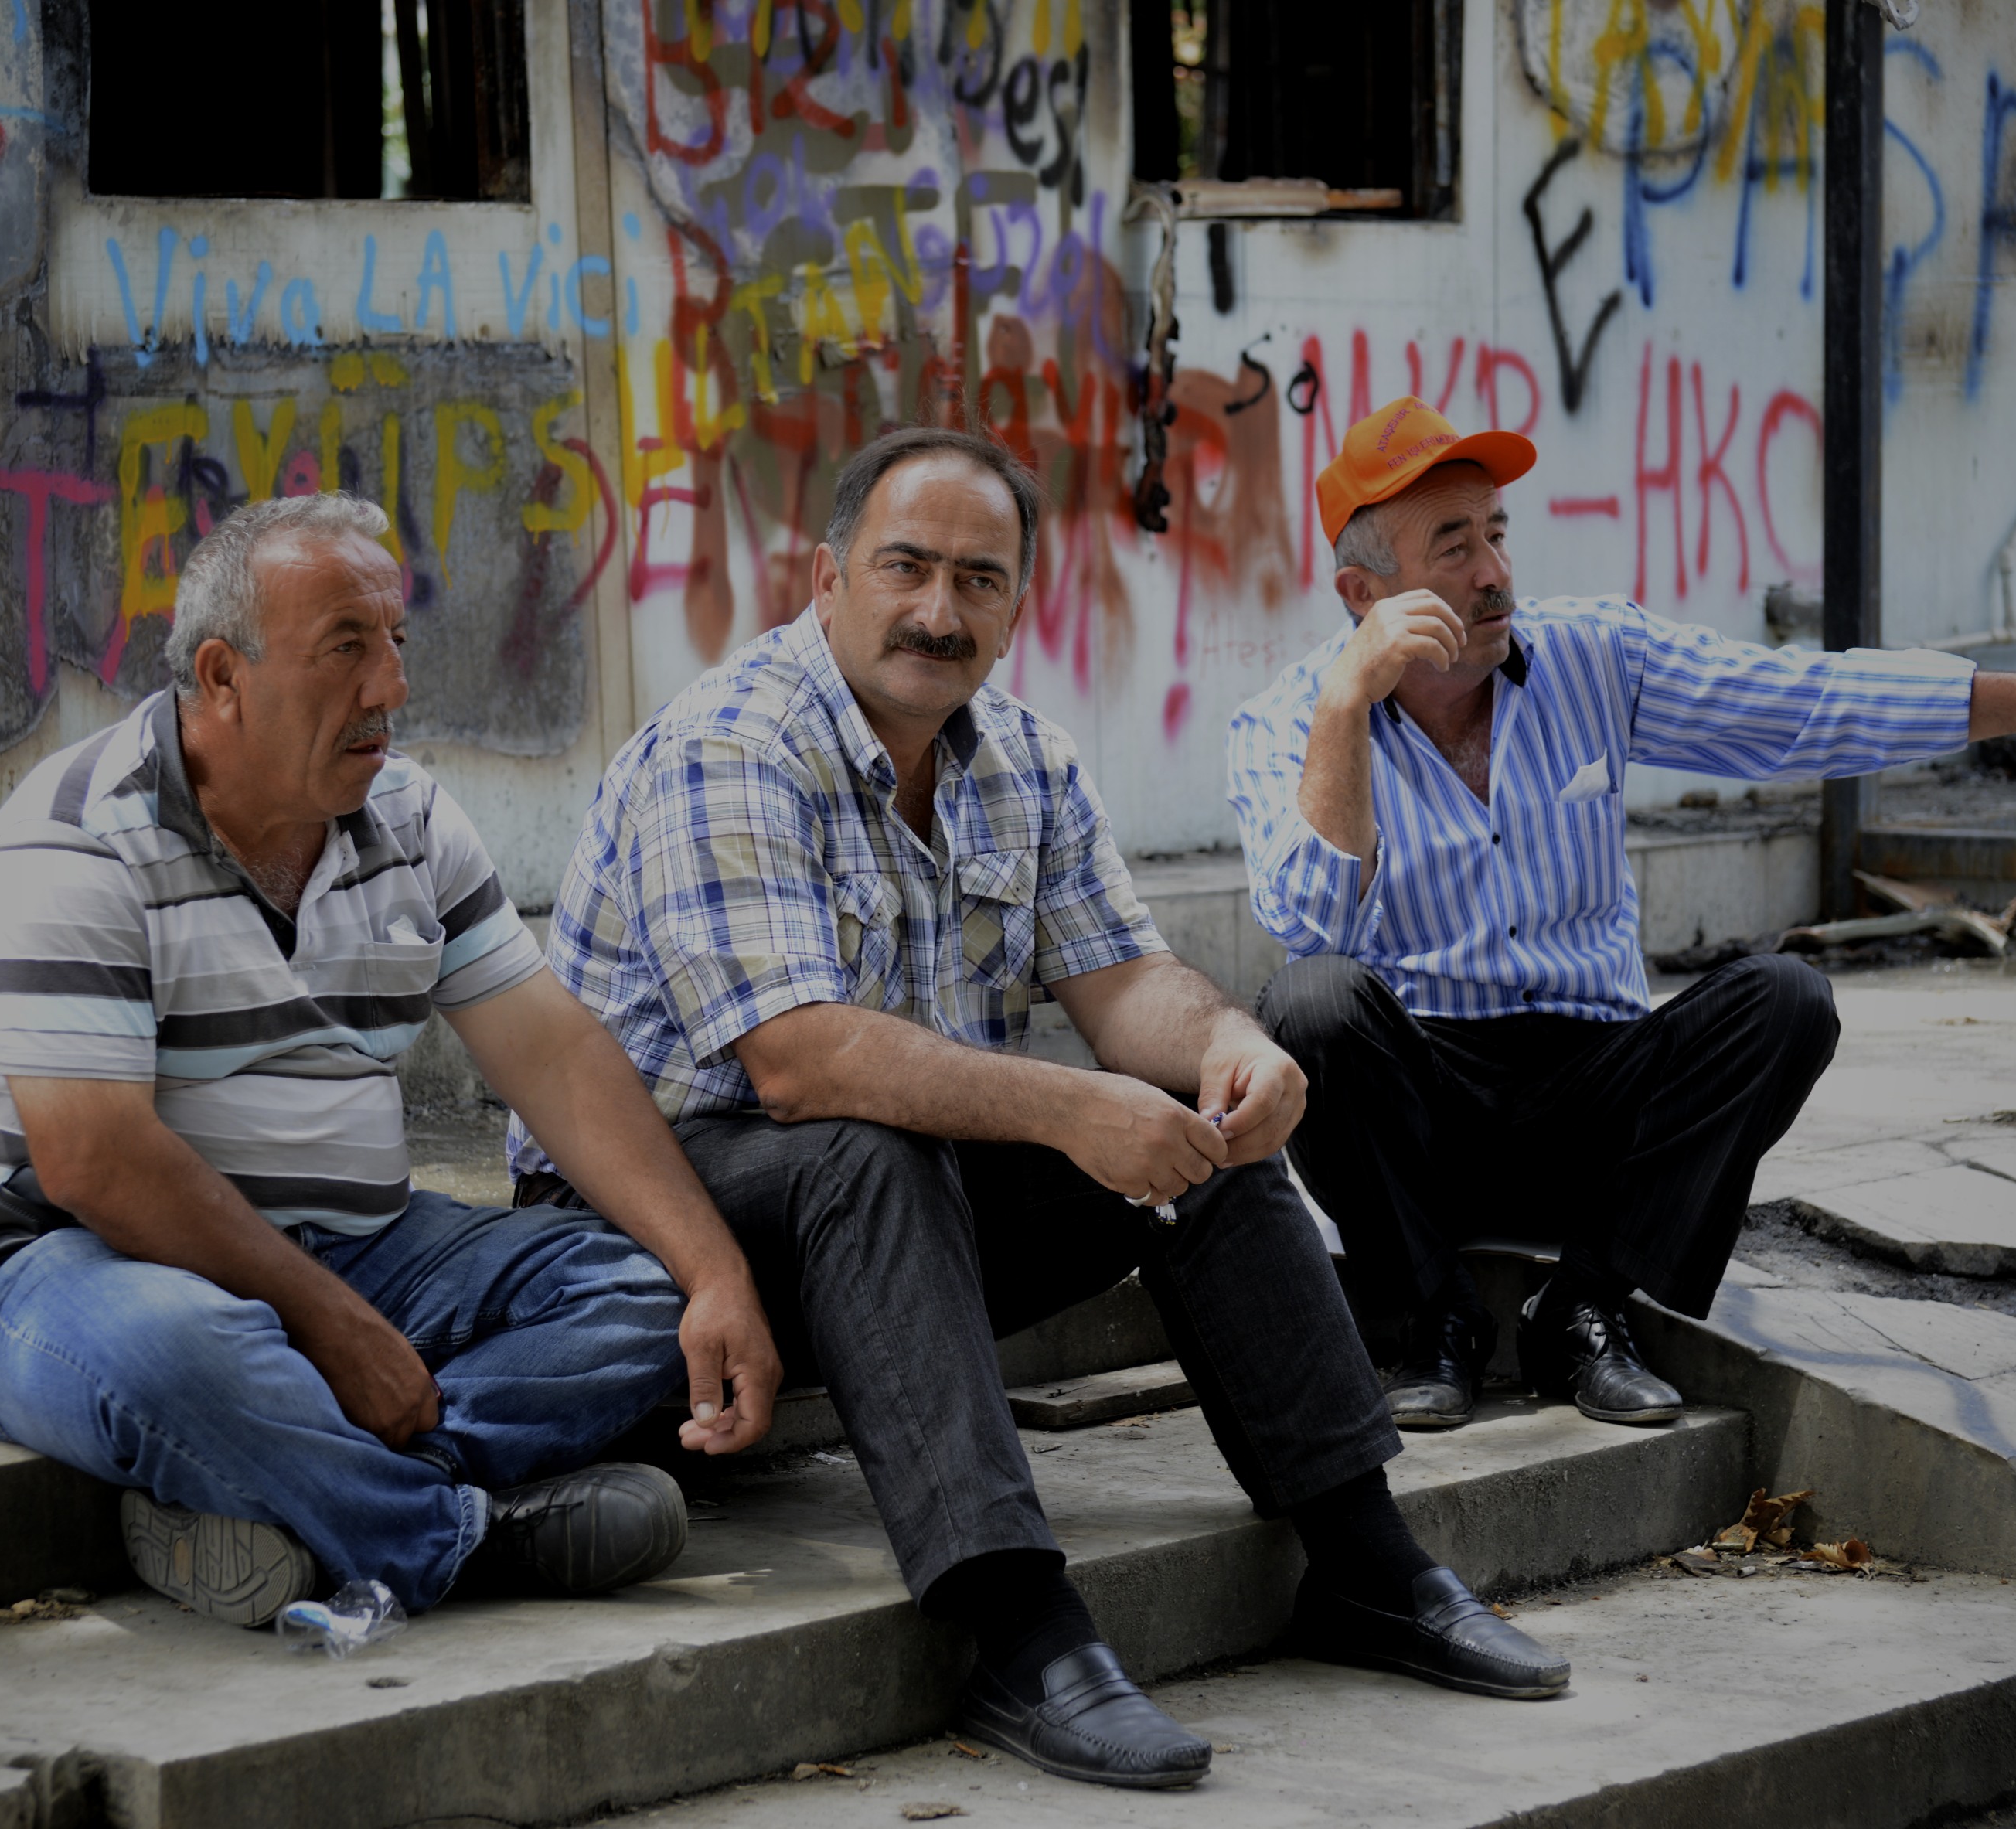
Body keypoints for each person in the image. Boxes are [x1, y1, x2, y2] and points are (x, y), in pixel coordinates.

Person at [515, 427, 1568, 1792]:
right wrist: (1074, 1105)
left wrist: (1232, 1043)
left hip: (892, 1214)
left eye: (979, 580)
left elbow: (1126, 984)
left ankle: (1369, 1558)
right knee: (867, 1145)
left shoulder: (1022, 756)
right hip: (652, 1225)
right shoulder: (731, 744)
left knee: (1193, 1123)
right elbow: (797, 1062)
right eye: (905, 568)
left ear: (1019, 605)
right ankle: (1017, 1628)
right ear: (828, 578)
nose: (938, 611)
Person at [1228, 397, 2016, 1432]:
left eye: (1497, 533)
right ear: (1364, 593)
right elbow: (1314, 930)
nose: (1493, 571)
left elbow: (1811, 701)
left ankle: (1585, 1308)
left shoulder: (1593, 654)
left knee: (1788, 1000)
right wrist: (1347, 706)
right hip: (1420, 1114)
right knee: (1308, 1004)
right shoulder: (1286, 721)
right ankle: (1432, 1321)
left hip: (1595, 1093)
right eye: (1453, 545)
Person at [0, 492, 784, 1627]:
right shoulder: (73, 843)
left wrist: (716, 1274)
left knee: (644, 1292)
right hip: (68, 1265)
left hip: (365, 1249)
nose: (392, 687)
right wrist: (332, 1326)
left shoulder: (408, 815)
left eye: (396, 642)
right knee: (183, 1347)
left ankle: (303, 1496)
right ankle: (454, 1536)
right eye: (346, 648)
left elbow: (557, 1057)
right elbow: (95, 1162)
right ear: (222, 676)